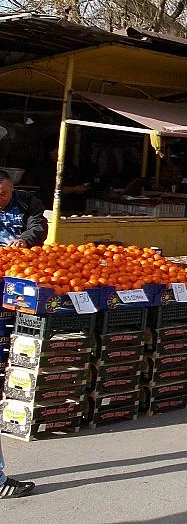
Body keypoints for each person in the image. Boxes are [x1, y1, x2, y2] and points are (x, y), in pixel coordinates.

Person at [0, 170, 43, 498]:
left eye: (5, 192)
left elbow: (38, 227)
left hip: (16, 277)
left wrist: (24, 241)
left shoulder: (27, 203)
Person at [0, 170, 48, 248]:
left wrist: (25, 240)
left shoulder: (27, 201)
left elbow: (38, 225)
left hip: (23, 252)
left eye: (3, 194)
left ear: (12, 188)